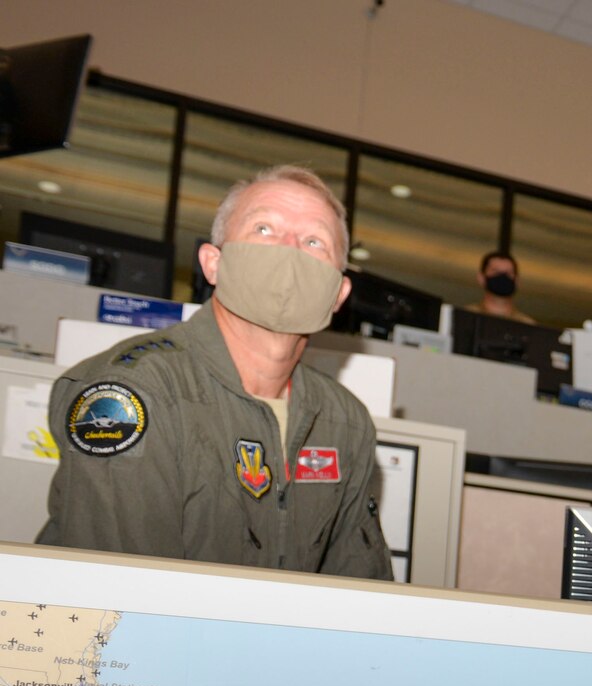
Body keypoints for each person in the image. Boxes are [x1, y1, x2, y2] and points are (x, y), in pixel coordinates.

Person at [39, 164, 391, 580]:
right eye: (264, 229)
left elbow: (357, 588)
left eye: (314, 241)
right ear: (213, 264)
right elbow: (123, 599)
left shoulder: (343, 420)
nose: (290, 250)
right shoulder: (135, 393)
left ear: (339, 293)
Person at [469, 250, 535, 323]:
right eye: (496, 272)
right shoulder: (465, 318)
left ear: (517, 281)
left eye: (509, 273)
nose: (503, 277)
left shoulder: (527, 325)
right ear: (481, 278)